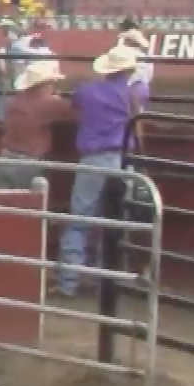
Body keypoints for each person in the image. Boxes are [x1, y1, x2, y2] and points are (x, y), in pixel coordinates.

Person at [56, 45, 144, 296]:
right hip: (122, 160)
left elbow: (72, 111)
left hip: (93, 158)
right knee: (116, 220)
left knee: (80, 220)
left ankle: (68, 282)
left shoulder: (86, 90)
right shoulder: (135, 93)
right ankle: (108, 282)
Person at [0, 60, 73, 190]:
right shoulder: (49, 103)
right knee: (27, 200)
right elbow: (77, 112)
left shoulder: (13, 101)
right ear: (45, 84)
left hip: (4, 157)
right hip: (27, 162)